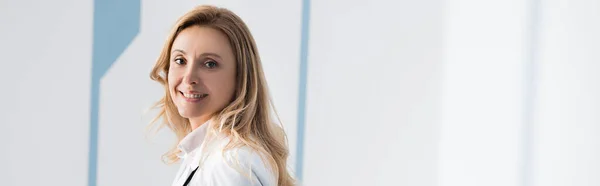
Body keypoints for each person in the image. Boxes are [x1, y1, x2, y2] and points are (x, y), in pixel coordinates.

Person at [149, 5, 295, 186]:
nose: (189, 78)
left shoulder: (230, 165)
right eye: (180, 61)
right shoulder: (209, 156)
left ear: (241, 77)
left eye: (210, 64)